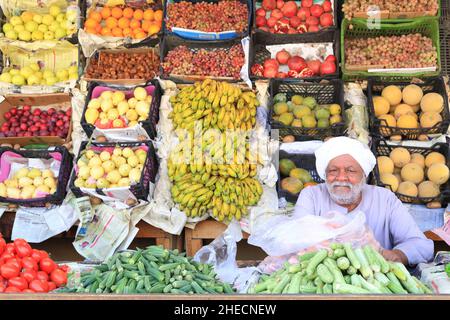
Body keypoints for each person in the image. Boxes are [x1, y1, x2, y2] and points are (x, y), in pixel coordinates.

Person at [293, 136, 434, 266]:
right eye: (333, 170)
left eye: (351, 171)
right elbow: (298, 239)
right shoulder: (311, 196)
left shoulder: (385, 199)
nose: (341, 177)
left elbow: (420, 244)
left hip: (375, 283)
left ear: (364, 175)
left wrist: (395, 255)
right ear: (325, 175)